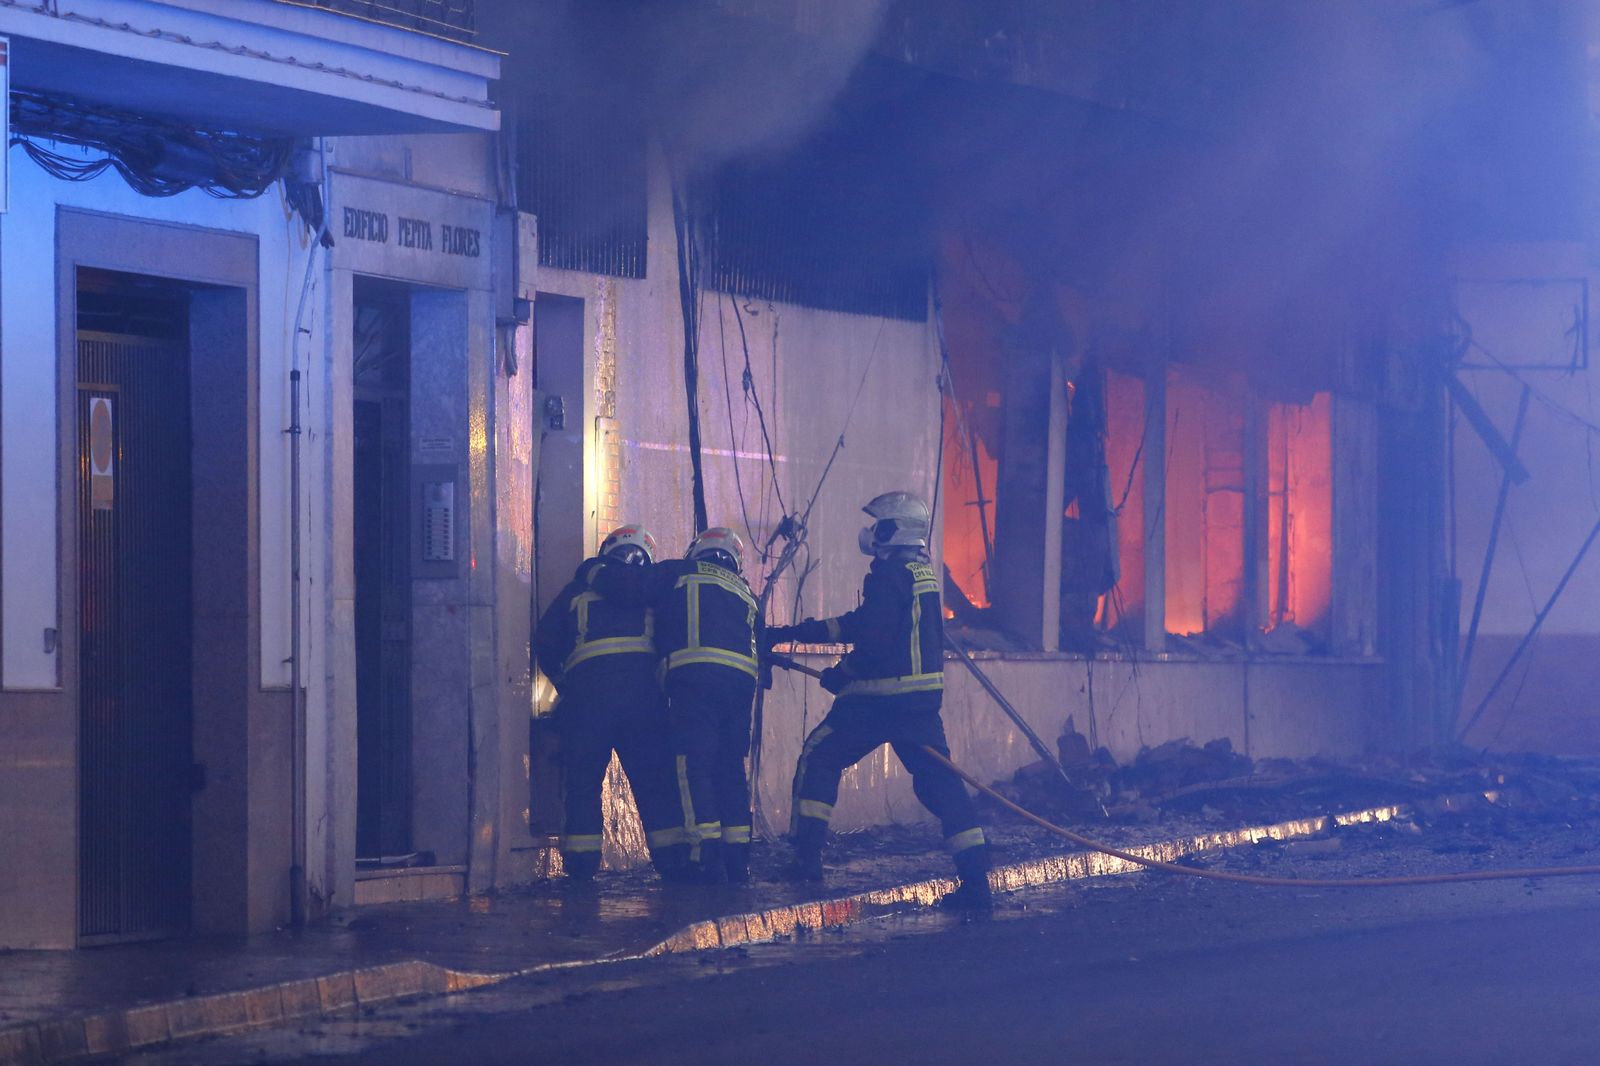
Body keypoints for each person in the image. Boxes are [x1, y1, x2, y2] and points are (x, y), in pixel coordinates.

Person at [763, 491, 993, 909]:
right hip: (919, 707)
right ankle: (977, 884)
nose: (871, 532)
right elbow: (862, 623)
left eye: (879, 525)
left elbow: (873, 641)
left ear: (894, 530)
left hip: (876, 702)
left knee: (819, 756)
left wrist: (842, 673)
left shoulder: (888, 575)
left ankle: (806, 858)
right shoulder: (920, 573)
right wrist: (795, 633)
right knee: (942, 787)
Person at [586, 527, 760, 883]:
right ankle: (737, 859)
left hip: (695, 682)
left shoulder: (678, 572)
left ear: (697, 550)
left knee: (693, 765)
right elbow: (761, 644)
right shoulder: (746, 592)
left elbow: (628, 588)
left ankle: (704, 855)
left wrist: (590, 570)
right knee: (729, 767)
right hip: (741, 687)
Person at [534, 524, 690, 882]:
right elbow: (673, 640)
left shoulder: (577, 590)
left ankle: (580, 869)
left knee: (582, 783)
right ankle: (674, 866)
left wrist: (567, 684)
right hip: (643, 702)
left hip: (586, 701)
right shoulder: (653, 592)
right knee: (655, 783)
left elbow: (546, 640)